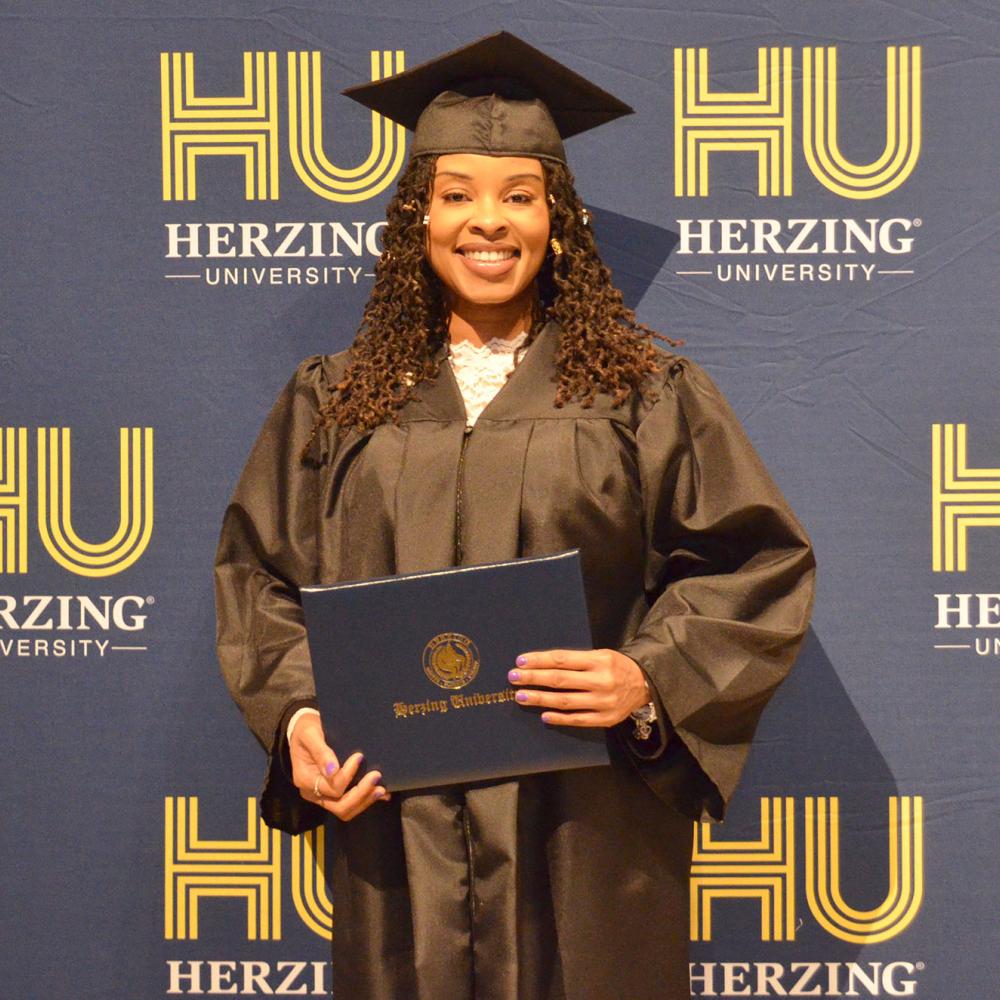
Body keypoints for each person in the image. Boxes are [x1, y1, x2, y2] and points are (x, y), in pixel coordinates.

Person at [214, 31, 816, 1000]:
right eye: (454, 194)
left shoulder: (645, 393)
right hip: (395, 821)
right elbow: (262, 581)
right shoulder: (332, 402)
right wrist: (298, 716)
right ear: (417, 215)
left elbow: (753, 564)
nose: (484, 222)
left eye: (517, 196)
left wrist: (646, 675)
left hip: (587, 822)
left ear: (557, 221)